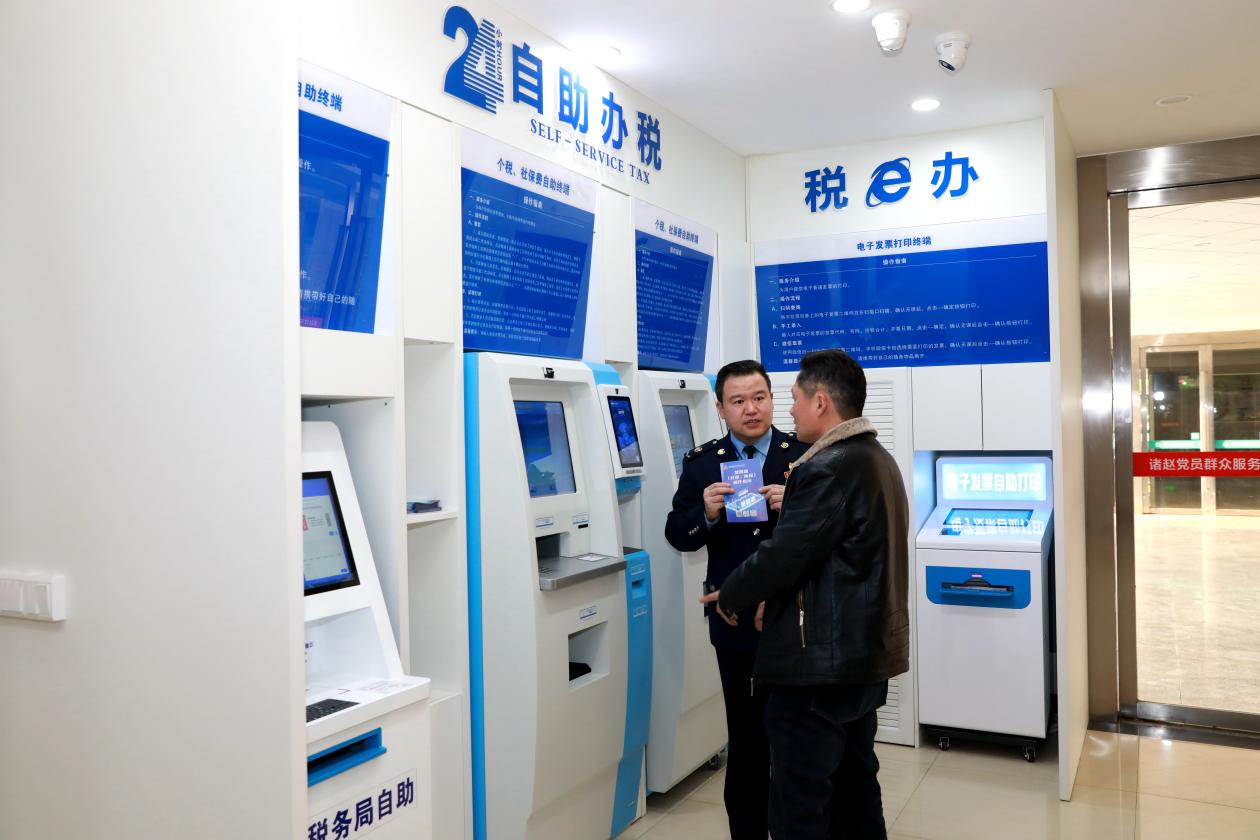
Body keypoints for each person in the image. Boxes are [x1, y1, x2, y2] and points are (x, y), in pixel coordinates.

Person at [701, 349, 909, 840]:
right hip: (861, 659)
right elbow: (828, 562)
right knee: (855, 790)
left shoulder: (828, 467)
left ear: (820, 402)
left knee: (800, 806)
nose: (788, 410)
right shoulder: (877, 458)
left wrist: (732, 595)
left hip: (818, 667)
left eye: (792, 398)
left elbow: (785, 555)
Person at [665, 359, 810, 840]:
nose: (751, 409)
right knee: (746, 742)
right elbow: (677, 535)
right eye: (739, 401)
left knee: (794, 742)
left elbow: (826, 536)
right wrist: (705, 515)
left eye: (759, 398)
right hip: (734, 621)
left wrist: (793, 505)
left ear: (772, 399)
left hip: (795, 619)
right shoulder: (703, 463)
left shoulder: (804, 455)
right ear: (721, 408)